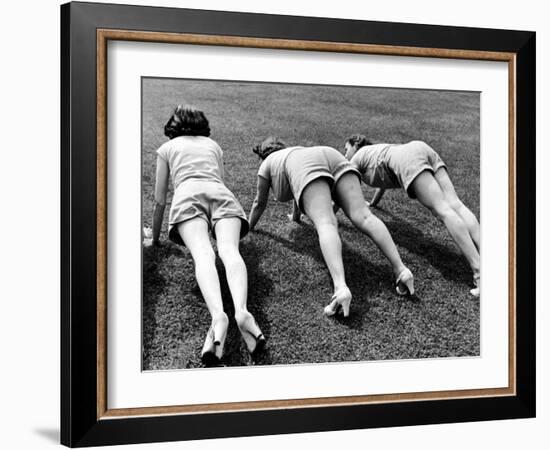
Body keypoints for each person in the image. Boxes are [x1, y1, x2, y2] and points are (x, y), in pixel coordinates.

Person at [145, 105, 265, 367]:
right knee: (230, 251)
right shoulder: (213, 145)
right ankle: (242, 312)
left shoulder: (167, 149)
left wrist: (154, 239)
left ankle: (218, 316)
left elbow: (159, 200)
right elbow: (220, 179)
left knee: (203, 254)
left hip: (188, 195)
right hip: (221, 195)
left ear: (173, 127)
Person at [248, 137, 414, 318]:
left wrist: (248, 227)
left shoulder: (267, 165)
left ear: (263, 156)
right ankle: (402, 270)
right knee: (365, 216)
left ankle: (340, 288)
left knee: (326, 223)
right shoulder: (295, 151)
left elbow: (259, 202)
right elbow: (296, 188)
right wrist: (296, 217)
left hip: (305, 166)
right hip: (329, 154)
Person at [343, 134, 480, 297]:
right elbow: (382, 185)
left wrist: (331, 213)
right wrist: (373, 204)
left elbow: (343, 186)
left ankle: (480, 273)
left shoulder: (358, 157)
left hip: (408, 158)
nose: (345, 155)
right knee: (455, 204)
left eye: (346, 149)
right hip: (421, 148)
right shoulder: (375, 153)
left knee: (443, 210)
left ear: (355, 145)